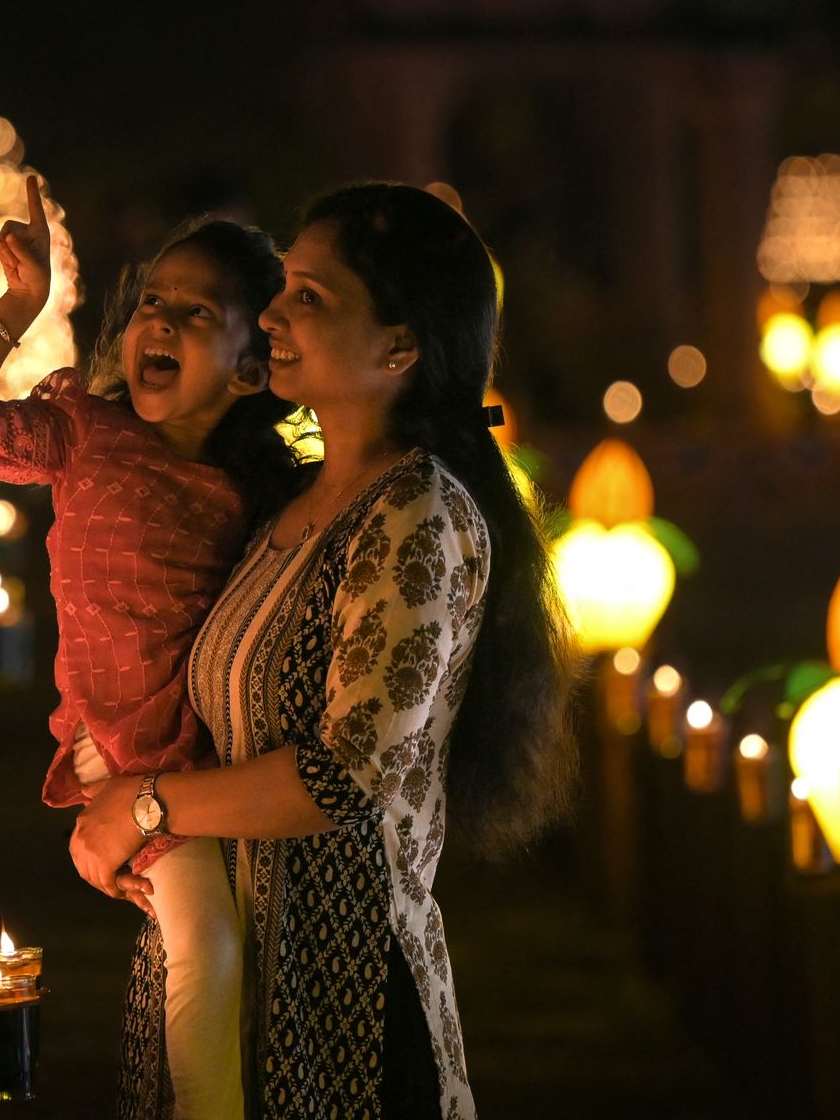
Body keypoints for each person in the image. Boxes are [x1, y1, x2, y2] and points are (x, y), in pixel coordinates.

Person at [71, 182, 578, 1119]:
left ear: (401, 345)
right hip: (220, 969)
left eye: (312, 294)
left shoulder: (417, 513)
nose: (271, 313)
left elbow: (344, 776)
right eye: (283, 289)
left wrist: (142, 806)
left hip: (343, 1004)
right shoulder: (281, 496)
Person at [0, 175, 298, 1119]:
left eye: (194, 311)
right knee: (204, 955)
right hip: (127, 754)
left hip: (202, 756)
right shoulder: (86, 433)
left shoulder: (262, 493)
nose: (156, 322)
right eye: (151, 304)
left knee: (228, 959)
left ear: (252, 367)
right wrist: (17, 307)